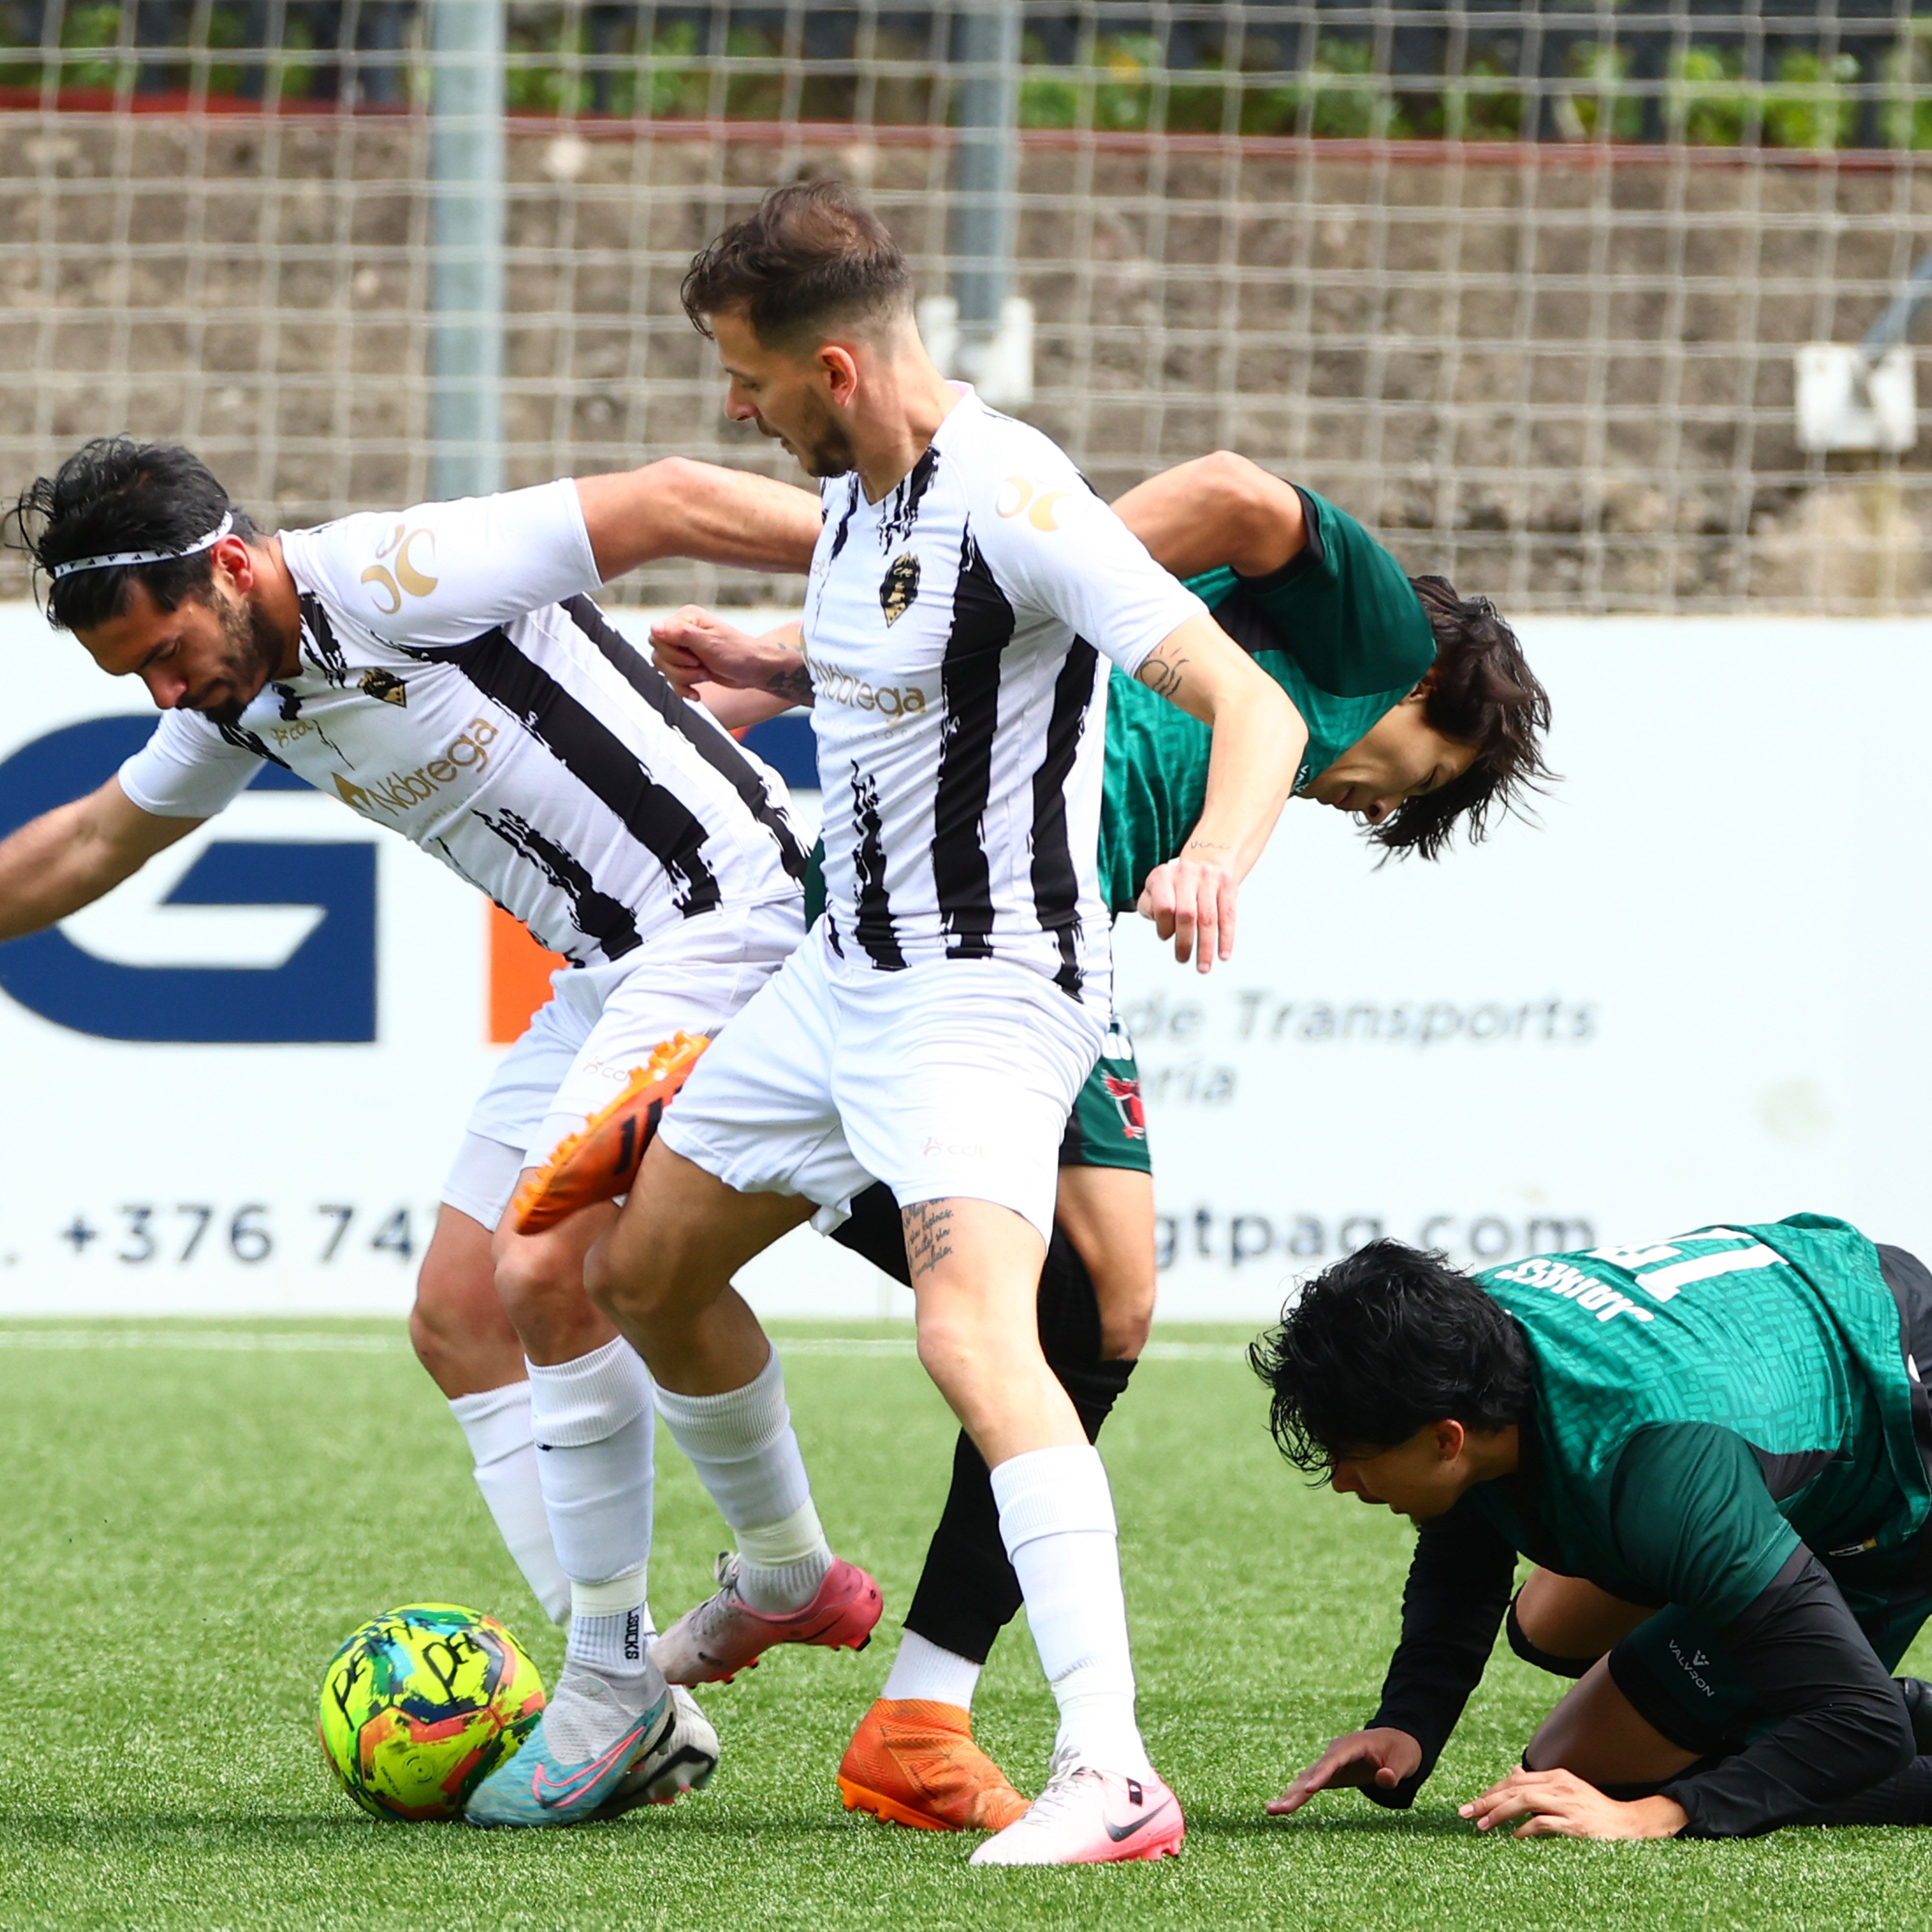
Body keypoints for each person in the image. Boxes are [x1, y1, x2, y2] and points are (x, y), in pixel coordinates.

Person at [0, 435, 833, 1821]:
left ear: (233, 567)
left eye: (168, 650)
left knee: (550, 1259)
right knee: (459, 1313)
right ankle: (632, 1685)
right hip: (605, 972)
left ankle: (626, 1681)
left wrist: (894, 564)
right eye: (132, 677)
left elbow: (669, 498)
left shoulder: (391, 575)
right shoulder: (241, 699)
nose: (165, 689)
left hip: (731, 921)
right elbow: (89, 844)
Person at [525, 177, 1302, 1865]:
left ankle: (1111, 1770)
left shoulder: (1015, 489)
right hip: (834, 984)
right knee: (635, 1272)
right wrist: (766, 666)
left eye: (748, 378)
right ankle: (789, 1577)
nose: (735, 408)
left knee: (976, 1341)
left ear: (840, 371)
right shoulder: (860, 499)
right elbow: (921, 657)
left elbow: (1250, 702)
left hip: (983, 996)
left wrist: (1214, 861)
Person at [649, 449, 1553, 1833]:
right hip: (960, 925)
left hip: (1037, 926)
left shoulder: (1208, 667)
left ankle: (920, 1713)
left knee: (1108, 1308)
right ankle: (958, 1696)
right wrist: (1001, 587)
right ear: (1435, 688)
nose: (1377, 807)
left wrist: (801, 665)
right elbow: (1236, 487)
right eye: (1413, 783)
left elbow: (963, 677)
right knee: (1016, 1324)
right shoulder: (1368, 634)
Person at [1250, 1219, 1932, 1840]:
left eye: (1350, 1455)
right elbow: (1466, 1519)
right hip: (1819, 1324)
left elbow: (1861, 1725)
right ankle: (1778, 1689)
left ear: (1445, 1437)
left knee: (1570, 1772)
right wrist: (1410, 1724)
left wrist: (1654, 1813)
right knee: (1545, 1626)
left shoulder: (1663, 1479)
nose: (1343, 1481)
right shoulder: (1471, 1337)